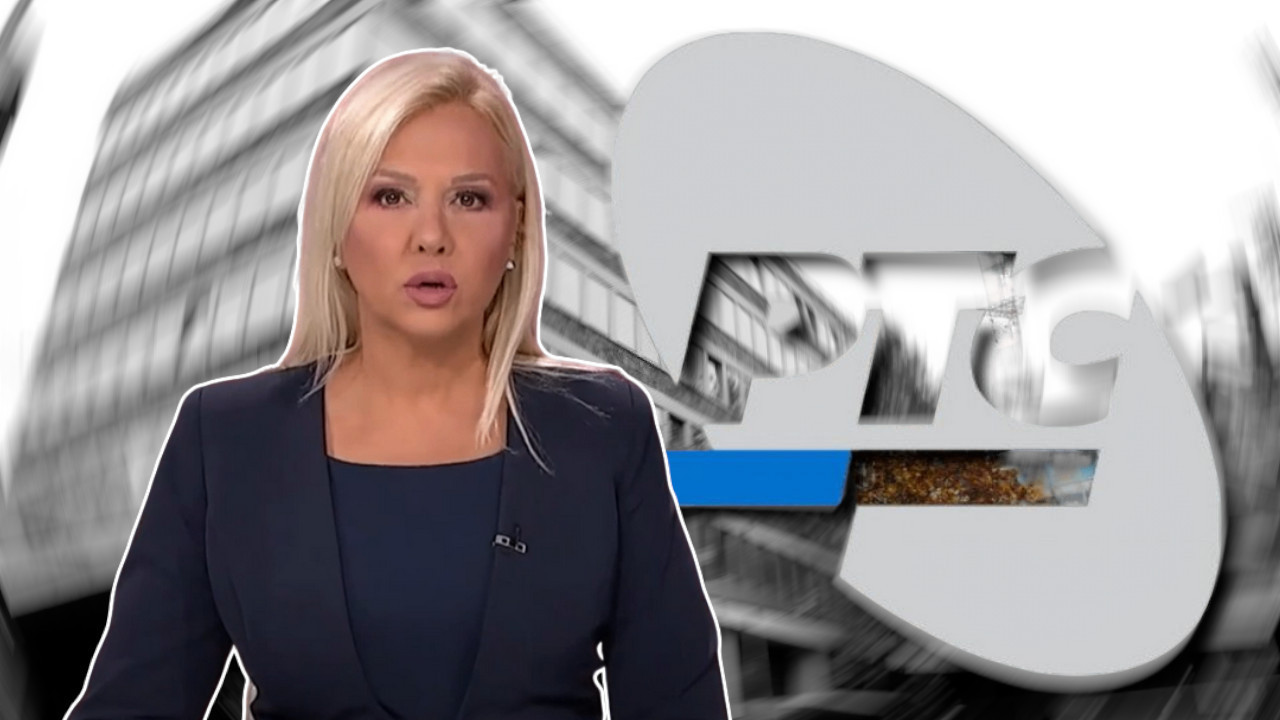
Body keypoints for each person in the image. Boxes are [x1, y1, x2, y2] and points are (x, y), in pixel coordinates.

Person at [64, 48, 730, 720]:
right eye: (390, 196)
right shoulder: (225, 438)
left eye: (468, 199)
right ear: (334, 228)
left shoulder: (602, 425)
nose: (431, 236)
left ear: (517, 226)